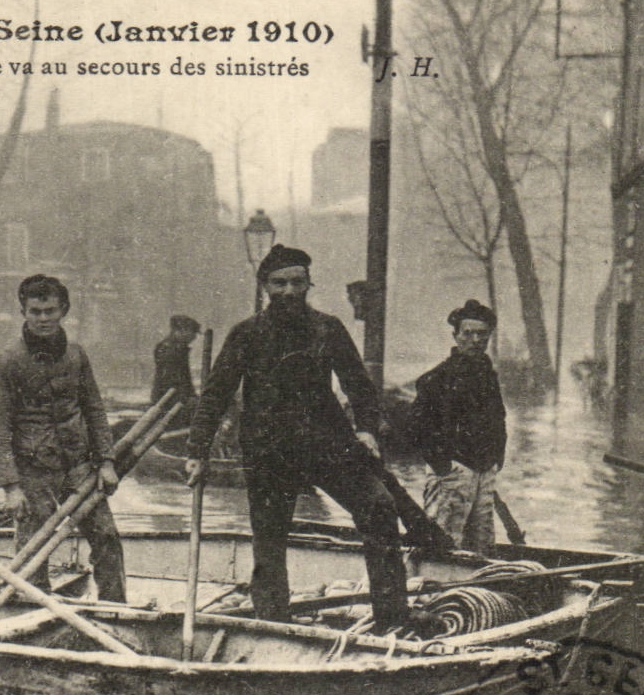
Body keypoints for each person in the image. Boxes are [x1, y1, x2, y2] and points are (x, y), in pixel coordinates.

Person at [184, 245, 420, 632]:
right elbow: (215, 394)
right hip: (269, 451)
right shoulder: (246, 334)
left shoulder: (328, 328)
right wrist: (197, 451)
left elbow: (358, 384)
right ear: (264, 287)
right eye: (279, 283)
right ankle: (272, 625)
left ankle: (393, 619)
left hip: (328, 445)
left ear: (309, 284)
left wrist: (366, 428)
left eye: (297, 282)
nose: (289, 291)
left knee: (379, 507)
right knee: (269, 538)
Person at [0, 274, 126, 602]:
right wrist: (11, 486)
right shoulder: (7, 362)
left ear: (63, 311)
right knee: (34, 549)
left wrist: (106, 462)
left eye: (50, 311)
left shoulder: (76, 355)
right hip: (33, 471)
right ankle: (34, 610)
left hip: (79, 467)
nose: (43, 319)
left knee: (106, 536)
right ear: (24, 312)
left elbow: (94, 410)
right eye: (35, 311)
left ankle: (116, 609)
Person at [409, 299, 508, 553]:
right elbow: (417, 426)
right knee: (443, 542)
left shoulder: (488, 376)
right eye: (468, 333)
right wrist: (443, 465)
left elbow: (499, 419)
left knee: (482, 544)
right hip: (453, 472)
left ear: (489, 337)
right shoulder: (437, 378)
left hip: (484, 471)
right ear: (456, 336)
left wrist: (496, 459)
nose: (475, 340)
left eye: (482, 334)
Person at [152, 314, 201, 411]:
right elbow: (171, 380)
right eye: (193, 332)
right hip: (168, 399)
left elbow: (184, 378)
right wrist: (186, 398)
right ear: (181, 330)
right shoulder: (169, 349)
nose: (194, 337)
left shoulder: (179, 348)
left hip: (175, 397)